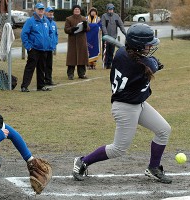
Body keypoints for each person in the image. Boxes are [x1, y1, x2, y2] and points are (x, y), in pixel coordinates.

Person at [72, 23, 171, 184]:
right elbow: (151, 65)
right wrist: (153, 63)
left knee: (163, 130)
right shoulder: (139, 64)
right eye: (147, 45)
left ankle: (153, 168)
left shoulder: (124, 53)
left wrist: (149, 60)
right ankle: (82, 161)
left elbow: (147, 62)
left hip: (137, 103)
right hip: (125, 107)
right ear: (137, 47)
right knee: (118, 149)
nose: (150, 47)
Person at [20, 3, 52, 92]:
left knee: (42, 68)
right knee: (30, 67)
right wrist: (28, 46)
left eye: (42, 9)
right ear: (35, 10)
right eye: (39, 9)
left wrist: (48, 43)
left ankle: (41, 86)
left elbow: (50, 32)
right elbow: (24, 34)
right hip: (34, 49)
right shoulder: (30, 21)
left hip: (44, 49)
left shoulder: (46, 21)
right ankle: (24, 86)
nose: (41, 10)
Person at [64, 5, 90, 80]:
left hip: (81, 40)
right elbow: (66, 29)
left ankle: (82, 74)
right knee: (71, 58)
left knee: (82, 58)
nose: (77, 11)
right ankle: (70, 74)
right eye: (75, 9)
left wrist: (85, 27)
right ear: (73, 10)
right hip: (73, 40)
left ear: (80, 10)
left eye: (78, 9)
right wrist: (72, 29)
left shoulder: (83, 18)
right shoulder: (69, 19)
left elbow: (88, 29)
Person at [101, 3, 126, 69]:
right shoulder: (104, 16)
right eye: (109, 9)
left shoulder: (116, 16)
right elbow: (103, 26)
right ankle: (105, 63)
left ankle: (110, 63)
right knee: (106, 50)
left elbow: (121, 25)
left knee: (111, 51)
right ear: (107, 10)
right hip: (106, 37)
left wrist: (125, 33)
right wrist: (105, 34)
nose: (111, 10)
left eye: (112, 9)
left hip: (113, 36)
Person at [44, 6, 58, 86]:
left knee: (49, 65)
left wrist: (55, 42)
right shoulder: (44, 21)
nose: (50, 13)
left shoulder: (54, 23)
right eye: (49, 12)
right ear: (46, 12)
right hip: (44, 47)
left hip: (50, 47)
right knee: (43, 65)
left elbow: (55, 34)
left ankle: (48, 80)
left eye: (52, 12)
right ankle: (42, 80)